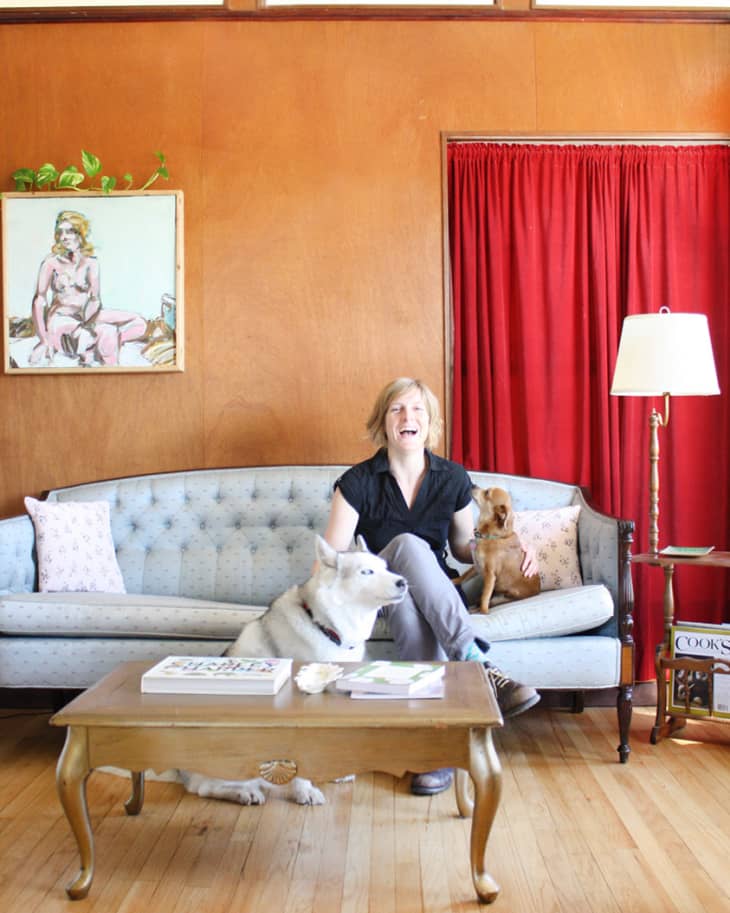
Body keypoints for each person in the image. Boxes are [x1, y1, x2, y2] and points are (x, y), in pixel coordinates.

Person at [323, 377, 540, 796]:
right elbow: (329, 560)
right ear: (383, 423)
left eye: (418, 409)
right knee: (404, 547)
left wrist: (509, 547)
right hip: (377, 593)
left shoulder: (452, 478)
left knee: (411, 605)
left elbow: (462, 550)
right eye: (397, 410)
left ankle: (431, 751)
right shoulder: (357, 483)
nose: (408, 417)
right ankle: (476, 662)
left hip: (434, 592)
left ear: (430, 422)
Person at [28, 210, 147, 367]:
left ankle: (94, 347)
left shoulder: (91, 263)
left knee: (139, 323)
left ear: (81, 233)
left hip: (87, 316)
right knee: (107, 332)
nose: (64, 237)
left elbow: (94, 298)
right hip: (61, 317)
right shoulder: (51, 263)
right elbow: (39, 300)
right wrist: (44, 340)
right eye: (60, 232)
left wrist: (87, 325)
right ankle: (100, 357)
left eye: (70, 231)